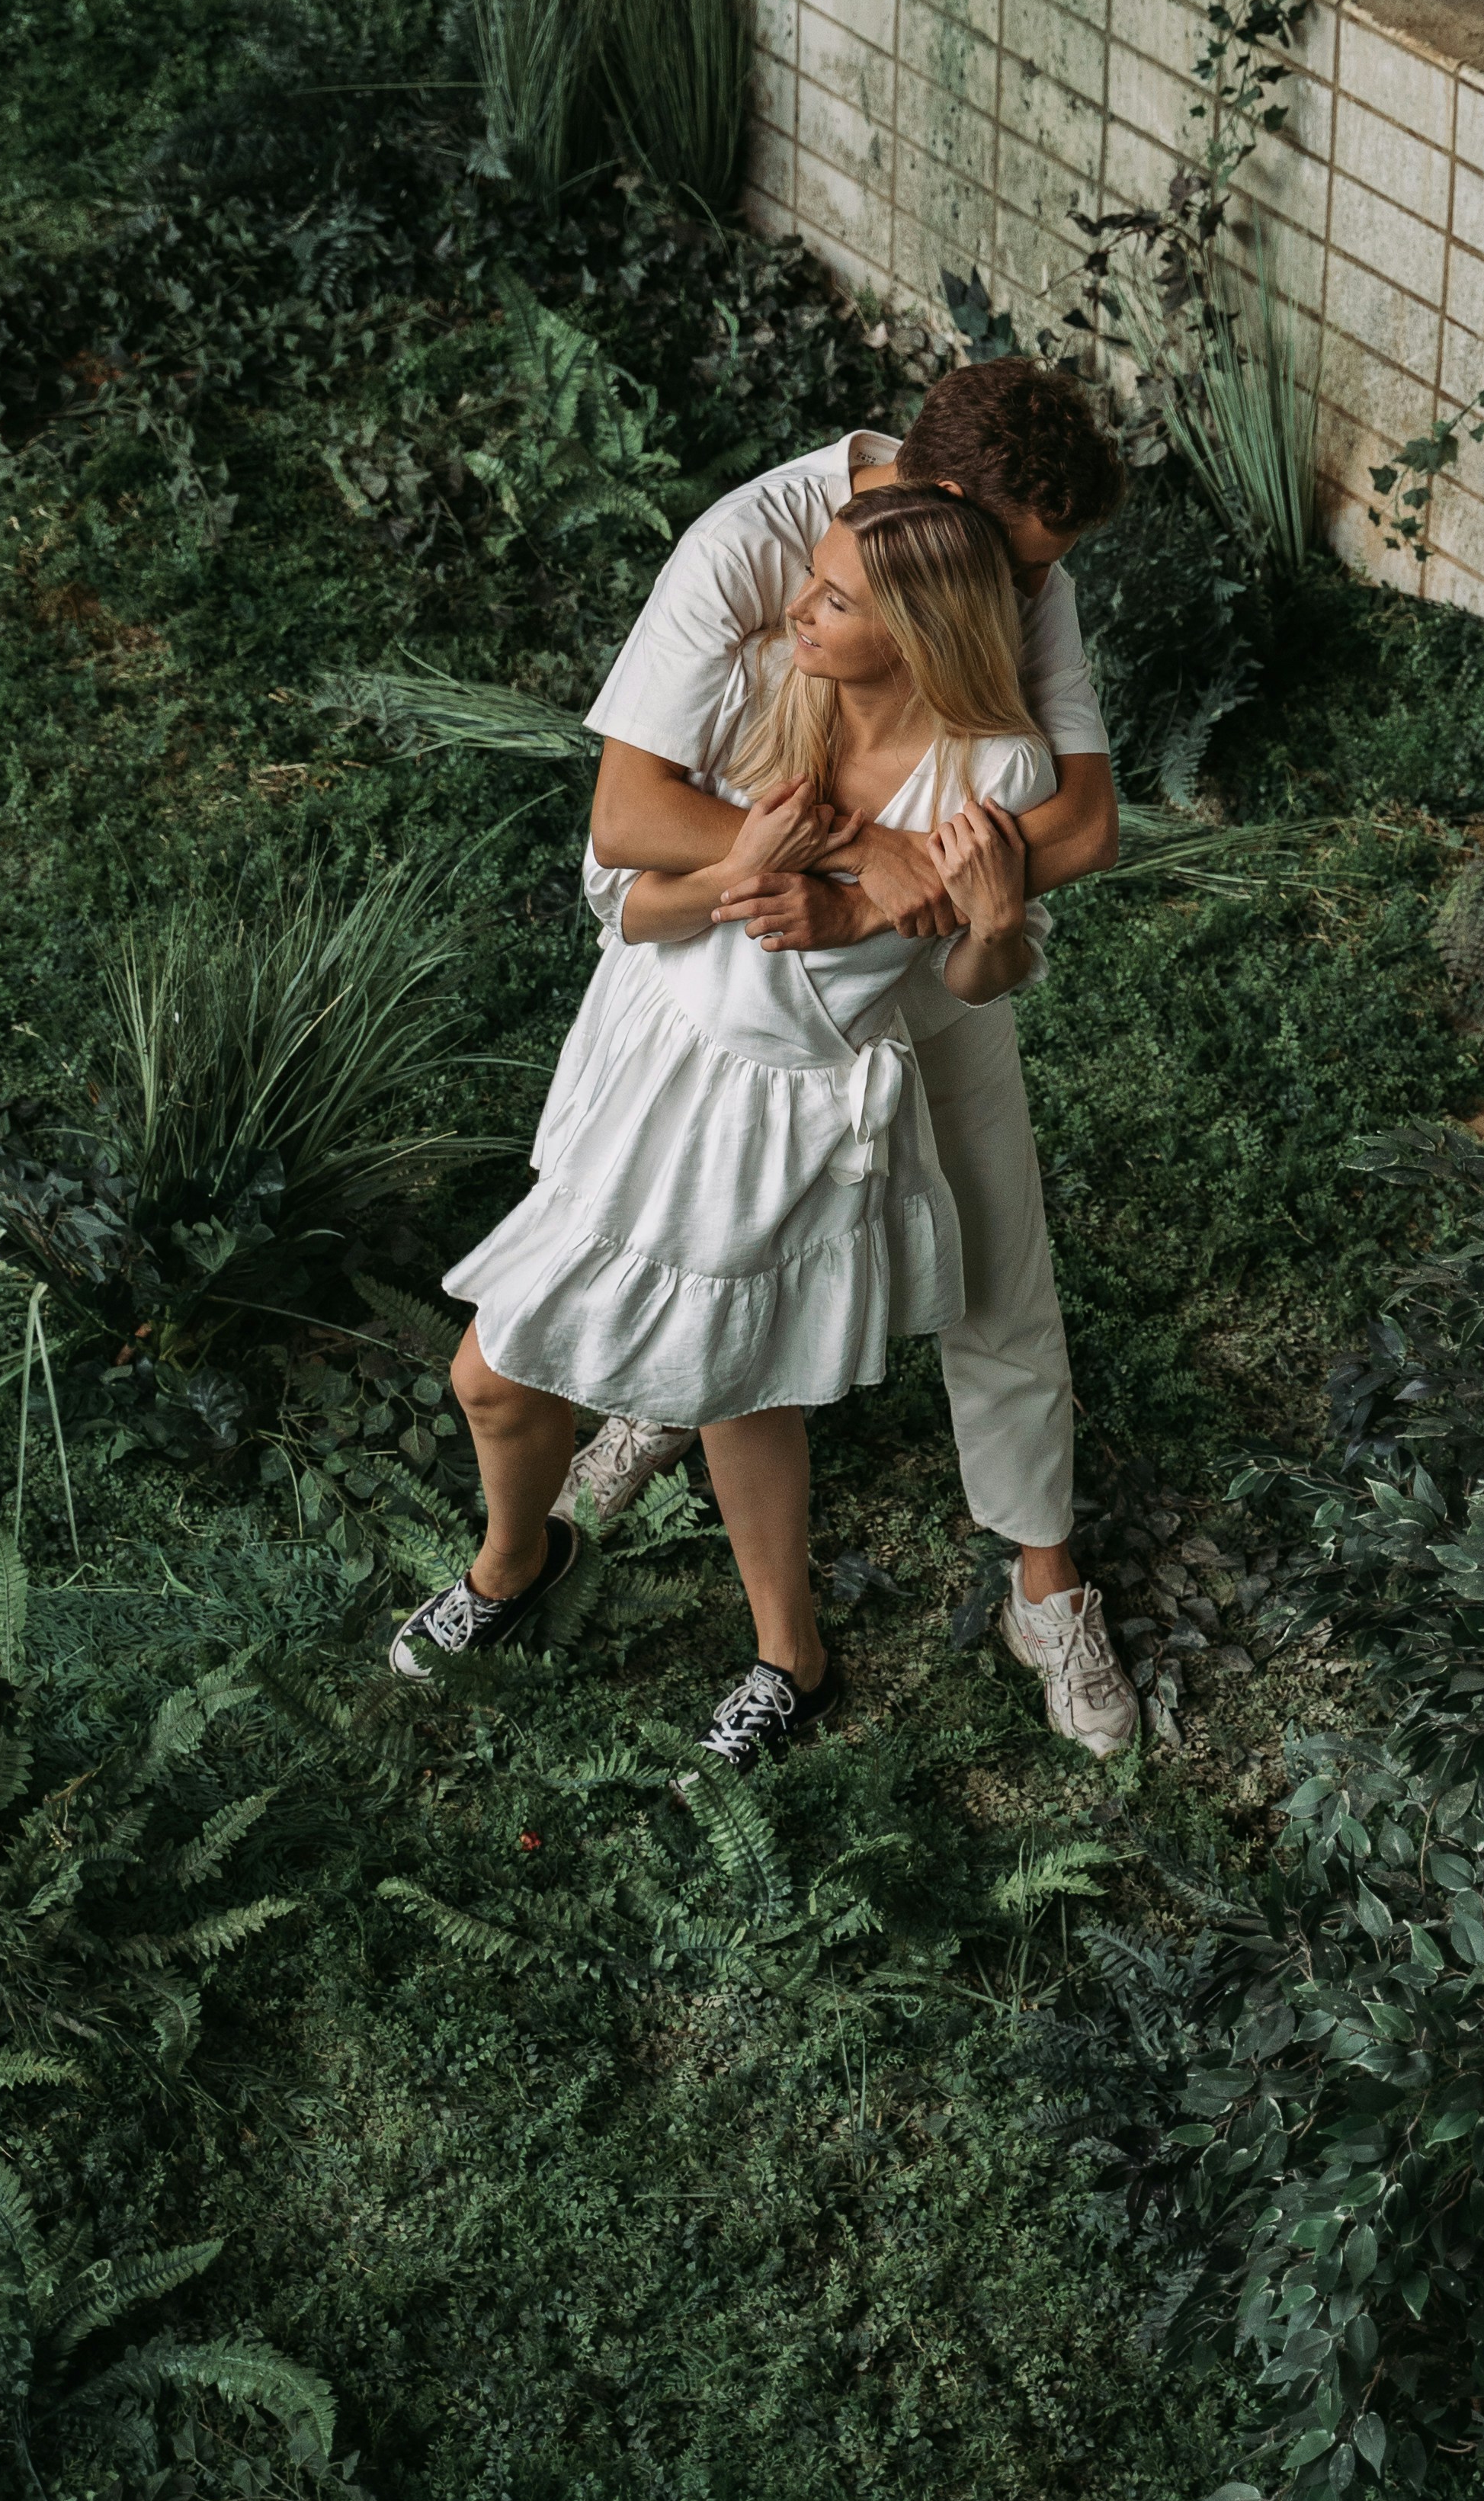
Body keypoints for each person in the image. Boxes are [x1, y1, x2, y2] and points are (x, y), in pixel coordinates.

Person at [398, 491, 1055, 1768]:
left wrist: (991, 924)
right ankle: (514, 1563)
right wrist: (744, 869)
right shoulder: (772, 690)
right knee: (489, 1376)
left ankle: (790, 1658)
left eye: (835, 600)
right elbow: (637, 912)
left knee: (741, 1389)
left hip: (784, 1111)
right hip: (655, 1062)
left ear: (920, 629)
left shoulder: (996, 771)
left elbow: (973, 987)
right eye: (811, 584)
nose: (797, 610)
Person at [582, 354, 1139, 1761]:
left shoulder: (1020, 570)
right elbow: (632, 811)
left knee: (997, 1247)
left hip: (914, 949)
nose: (1031, 601)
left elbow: (1076, 831)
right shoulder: (747, 547)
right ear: (936, 510)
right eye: (1021, 568)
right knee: (679, 1209)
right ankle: (662, 1395)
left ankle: (1044, 1575)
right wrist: (853, 860)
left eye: (1040, 576)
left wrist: (884, 906)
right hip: (734, 947)